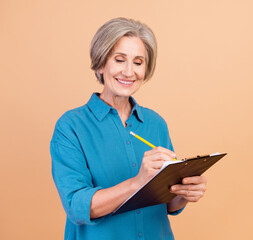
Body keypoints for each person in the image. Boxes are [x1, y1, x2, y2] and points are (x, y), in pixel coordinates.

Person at [50, 17, 207, 240]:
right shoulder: (70, 126)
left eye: (138, 62)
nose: (128, 72)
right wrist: (138, 182)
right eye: (120, 60)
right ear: (101, 63)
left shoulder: (156, 123)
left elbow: (169, 204)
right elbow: (77, 206)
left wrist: (185, 192)